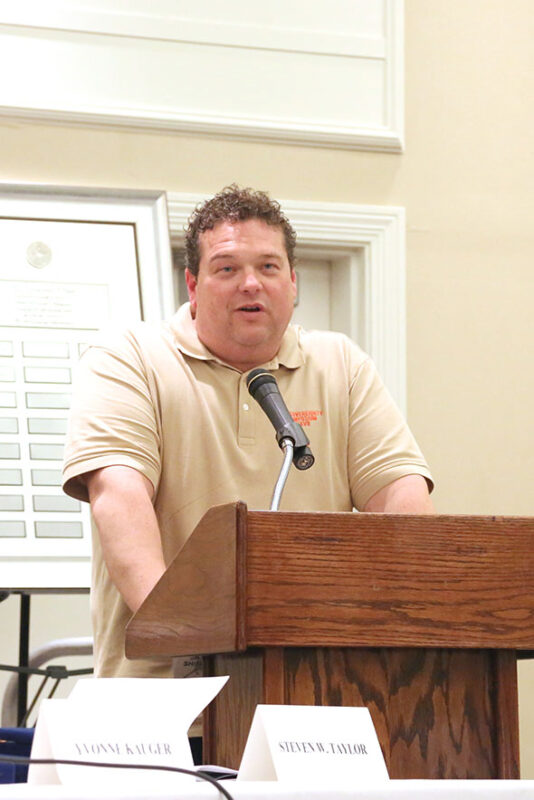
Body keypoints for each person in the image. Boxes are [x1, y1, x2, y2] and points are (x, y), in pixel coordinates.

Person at [62, 184, 434, 685]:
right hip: (167, 694)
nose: (251, 284)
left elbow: (402, 500)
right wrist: (196, 639)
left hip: (313, 688)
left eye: (268, 267)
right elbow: (119, 500)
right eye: (227, 269)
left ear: (293, 283)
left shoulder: (341, 365)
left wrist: (421, 621)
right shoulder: (128, 359)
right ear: (193, 286)